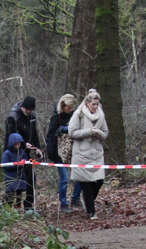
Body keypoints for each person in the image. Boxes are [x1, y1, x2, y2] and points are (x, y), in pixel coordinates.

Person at [68, 88, 108, 221]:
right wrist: (89, 131)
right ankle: (92, 211)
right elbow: (72, 132)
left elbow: (105, 133)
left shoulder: (101, 115)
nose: (95, 106)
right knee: (86, 183)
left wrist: (98, 133)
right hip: (81, 154)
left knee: (99, 180)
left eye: (97, 104)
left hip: (97, 153)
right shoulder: (78, 114)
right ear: (87, 103)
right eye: (93, 104)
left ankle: (88, 201)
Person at [3, 95, 42, 211]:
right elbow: (11, 136)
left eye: (31, 109)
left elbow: (34, 134)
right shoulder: (13, 117)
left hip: (26, 154)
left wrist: (38, 148)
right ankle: (6, 206)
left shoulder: (32, 117)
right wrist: (24, 144)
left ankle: (28, 205)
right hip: (13, 152)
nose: (29, 111)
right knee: (13, 183)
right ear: (23, 107)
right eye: (27, 109)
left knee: (31, 179)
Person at [45, 94, 83, 210]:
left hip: (73, 150)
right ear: (63, 106)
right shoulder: (56, 118)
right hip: (59, 153)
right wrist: (52, 153)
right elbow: (50, 135)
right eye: (69, 108)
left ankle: (75, 198)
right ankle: (63, 203)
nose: (71, 110)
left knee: (81, 175)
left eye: (72, 108)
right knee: (64, 179)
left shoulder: (75, 115)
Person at [1, 133, 28, 209]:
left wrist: (25, 163)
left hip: (20, 177)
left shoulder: (22, 152)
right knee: (9, 195)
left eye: (19, 143)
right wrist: (17, 165)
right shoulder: (6, 154)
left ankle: (17, 208)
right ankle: (6, 209)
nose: (18, 145)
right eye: (16, 144)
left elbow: (26, 160)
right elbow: (5, 165)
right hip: (11, 178)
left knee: (19, 195)